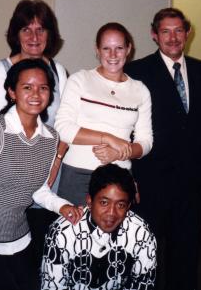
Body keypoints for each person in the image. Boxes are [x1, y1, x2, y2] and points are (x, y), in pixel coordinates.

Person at [0, 59, 83, 290]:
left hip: (20, 240)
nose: (36, 94)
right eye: (27, 87)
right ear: (11, 92)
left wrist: (62, 206)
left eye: (43, 88)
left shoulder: (50, 138)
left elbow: (38, 190)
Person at [124, 8, 201, 290]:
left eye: (178, 31)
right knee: (145, 253)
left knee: (186, 255)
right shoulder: (136, 72)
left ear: (187, 33)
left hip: (191, 183)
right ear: (154, 34)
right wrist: (130, 177)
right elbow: (127, 127)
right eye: (165, 31)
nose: (173, 38)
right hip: (150, 181)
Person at [0, 0, 68, 269]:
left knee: (47, 245)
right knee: (16, 249)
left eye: (41, 29)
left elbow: (64, 122)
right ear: (16, 34)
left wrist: (55, 160)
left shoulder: (58, 71)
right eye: (26, 29)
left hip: (51, 168)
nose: (34, 37)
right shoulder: (1, 71)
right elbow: (6, 126)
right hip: (14, 171)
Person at [55, 22, 152, 206]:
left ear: (129, 49)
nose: (113, 55)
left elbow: (146, 142)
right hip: (77, 175)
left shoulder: (140, 90)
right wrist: (108, 139)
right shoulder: (79, 80)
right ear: (97, 50)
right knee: (74, 233)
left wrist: (119, 153)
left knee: (115, 235)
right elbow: (63, 129)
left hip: (120, 177)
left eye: (119, 48)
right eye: (106, 48)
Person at [41, 164, 156, 290]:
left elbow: (143, 284)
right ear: (89, 201)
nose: (111, 213)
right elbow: (52, 287)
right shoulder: (62, 234)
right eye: (104, 202)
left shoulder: (141, 234)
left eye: (121, 205)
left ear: (128, 206)